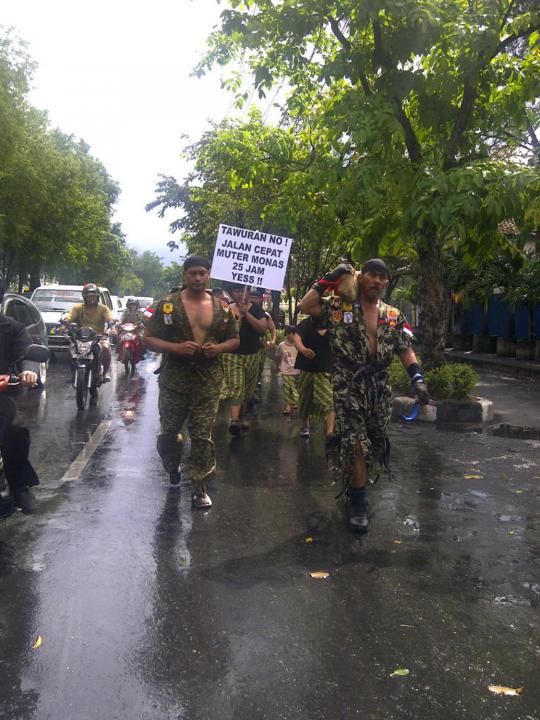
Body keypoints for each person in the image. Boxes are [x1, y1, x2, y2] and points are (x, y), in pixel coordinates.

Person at [299, 258, 429, 533]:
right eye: (373, 275)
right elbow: (306, 305)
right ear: (360, 277)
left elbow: (405, 349)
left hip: (379, 386)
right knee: (356, 443)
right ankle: (359, 502)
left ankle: (353, 481)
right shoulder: (339, 307)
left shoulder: (393, 315)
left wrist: (417, 379)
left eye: (383, 277)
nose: (378, 281)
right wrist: (329, 278)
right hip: (349, 384)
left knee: (375, 442)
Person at [144, 256, 239, 508]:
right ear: (184, 275)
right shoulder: (167, 305)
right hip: (175, 380)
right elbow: (148, 338)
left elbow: (234, 340)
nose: (197, 278)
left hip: (207, 381)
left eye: (202, 273)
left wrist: (217, 349)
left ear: (209, 275)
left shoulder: (222, 308)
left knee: (201, 435)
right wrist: (175, 347)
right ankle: (172, 463)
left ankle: (200, 486)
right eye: (193, 273)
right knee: (169, 434)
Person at [0, 273, 40, 514]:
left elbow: (27, 354)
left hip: (2, 395)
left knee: (15, 430)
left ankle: (18, 486)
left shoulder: (11, 328)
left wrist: (28, 371)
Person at [220, 284, 267, 435]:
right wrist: (235, 318)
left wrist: (246, 314)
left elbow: (262, 329)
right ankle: (234, 420)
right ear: (232, 293)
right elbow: (219, 330)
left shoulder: (256, 309)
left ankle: (242, 416)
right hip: (231, 355)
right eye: (237, 290)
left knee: (248, 389)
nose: (241, 294)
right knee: (236, 386)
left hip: (252, 354)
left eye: (243, 290)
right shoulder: (226, 308)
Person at [292, 317, 336, 448]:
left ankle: (329, 433)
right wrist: (304, 350)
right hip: (307, 367)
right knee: (305, 399)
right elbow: (297, 339)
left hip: (326, 368)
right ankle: (305, 425)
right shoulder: (306, 323)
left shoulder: (334, 322)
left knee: (329, 400)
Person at [63, 283, 115, 383]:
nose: (91, 298)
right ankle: (74, 374)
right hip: (81, 337)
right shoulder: (78, 308)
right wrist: (65, 324)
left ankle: (104, 373)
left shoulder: (103, 308)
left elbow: (109, 318)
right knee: (70, 351)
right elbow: (69, 317)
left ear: (97, 297)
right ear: (84, 297)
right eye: (89, 296)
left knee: (105, 348)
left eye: (93, 296)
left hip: (98, 337)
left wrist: (112, 327)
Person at [275, 325, 300, 415]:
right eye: (294, 334)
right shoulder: (281, 345)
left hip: (297, 371)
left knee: (295, 388)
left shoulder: (299, 345)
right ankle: (289, 406)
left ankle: (294, 404)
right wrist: (277, 366)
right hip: (285, 371)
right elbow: (277, 356)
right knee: (287, 388)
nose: (295, 336)